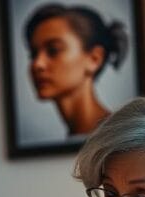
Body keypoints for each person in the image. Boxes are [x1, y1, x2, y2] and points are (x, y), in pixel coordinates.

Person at [25, 3, 128, 137]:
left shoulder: (119, 136)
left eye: (53, 50)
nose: (37, 64)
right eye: (33, 54)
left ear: (94, 59)